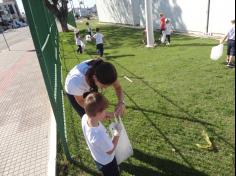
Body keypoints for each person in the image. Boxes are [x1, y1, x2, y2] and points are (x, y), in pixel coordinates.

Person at [82, 92, 121, 176]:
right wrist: (117, 134)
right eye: (104, 111)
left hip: (98, 158)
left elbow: (97, 117)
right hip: (107, 162)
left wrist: (111, 115)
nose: (106, 112)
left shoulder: (85, 117)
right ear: (96, 114)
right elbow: (110, 150)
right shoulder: (99, 136)